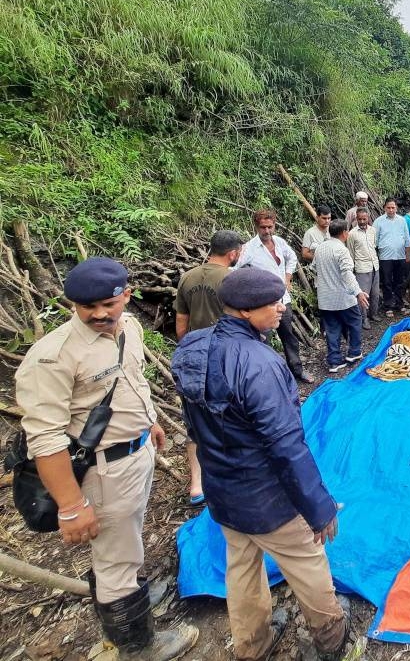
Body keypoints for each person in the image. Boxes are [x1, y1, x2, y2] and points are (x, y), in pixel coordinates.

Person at [17, 257, 197, 659]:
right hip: (104, 469)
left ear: (126, 297)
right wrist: (70, 505)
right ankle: (138, 647)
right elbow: (44, 439)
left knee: (124, 542)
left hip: (136, 453)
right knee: (116, 558)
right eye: (87, 307)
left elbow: (128, 383)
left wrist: (148, 423)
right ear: (73, 306)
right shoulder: (54, 356)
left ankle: (126, 595)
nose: (99, 314)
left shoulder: (129, 329)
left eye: (107, 304)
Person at [172, 268, 348, 660]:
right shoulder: (259, 363)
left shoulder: (191, 348)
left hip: (222, 489)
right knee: (307, 562)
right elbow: (285, 444)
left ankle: (252, 644)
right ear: (247, 311)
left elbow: (194, 424)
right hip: (267, 496)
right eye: (275, 303)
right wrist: (317, 507)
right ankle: (330, 637)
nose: (282, 309)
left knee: (242, 565)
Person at [174, 229, 243, 505]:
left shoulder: (187, 277)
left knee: (195, 420)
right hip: (225, 356)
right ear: (233, 253)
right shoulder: (232, 280)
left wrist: (189, 351)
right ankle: (232, 471)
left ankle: (196, 484)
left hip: (193, 355)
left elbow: (181, 322)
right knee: (232, 413)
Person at [236, 209, 312, 384]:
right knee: (264, 340)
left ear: (274, 226)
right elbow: (233, 268)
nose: (267, 231)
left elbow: (292, 257)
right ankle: (270, 377)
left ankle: (297, 370)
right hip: (263, 304)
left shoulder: (279, 242)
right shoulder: (249, 248)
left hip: (283, 299)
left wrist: (287, 277)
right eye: (263, 227)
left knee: (289, 337)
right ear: (256, 226)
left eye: (270, 227)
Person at [315, 220, 369, 373]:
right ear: (345, 233)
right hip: (343, 297)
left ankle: (334, 361)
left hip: (325, 298)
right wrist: (358, 292)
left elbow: (313, 267)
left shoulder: (320, 248)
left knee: (332, 329)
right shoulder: (341, 250)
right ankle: (354, 352)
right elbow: (347, 273)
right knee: (355, 321)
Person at [374, 198, 410, 318]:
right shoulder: (379, 221)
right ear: (384, 208)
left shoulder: (402, 220)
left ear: (396, 208)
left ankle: (399, 304)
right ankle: (388, 305)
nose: (391, 210)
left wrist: (407, 255)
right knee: (387, 282)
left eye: (393, 207)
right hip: (385, 256)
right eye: (388, 207)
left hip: (400, 255)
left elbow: (406, 238)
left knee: (399, 281)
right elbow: (375, 239)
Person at [345, 208, 380, 330]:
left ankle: (373, 314)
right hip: (361, 268)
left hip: (375, 265)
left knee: (375, 293)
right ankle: (363, 318)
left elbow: (374, 246)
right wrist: (353, 269)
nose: (362, 221)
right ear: (356, 218)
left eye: (364, 219)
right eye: (359, 219)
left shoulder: (373, 231)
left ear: (368, 218)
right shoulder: (352, 234)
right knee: (363, 295)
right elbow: (350, 253)